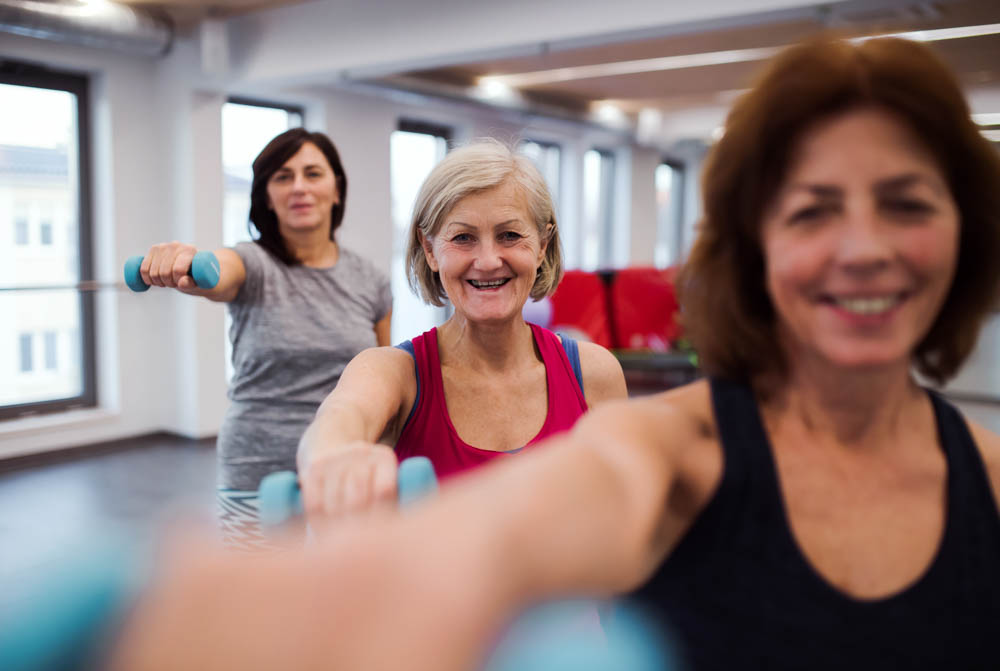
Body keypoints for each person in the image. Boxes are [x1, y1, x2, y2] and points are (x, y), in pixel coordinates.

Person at [103, 36, 1000, 671]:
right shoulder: (686, 443)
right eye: (812, 211)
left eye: (908, 203)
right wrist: (343, 514)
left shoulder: (985, 474)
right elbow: (517, 506)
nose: (862, 247)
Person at [296, 139, 627, 518]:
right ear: (431, 249)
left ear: (541, 245)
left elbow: (623, 515)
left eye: (510, 235)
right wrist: (332, 454)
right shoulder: (394, 373)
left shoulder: (594, 374)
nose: (487, 261)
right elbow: (343, 415)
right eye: (463, 238)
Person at [138, 128, 392, 546]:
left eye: (313, 173)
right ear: (266, 197)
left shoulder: (371, 281)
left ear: (337, 190)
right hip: (256, 469)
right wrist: (189, 262)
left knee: (334, 601)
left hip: (338, 472)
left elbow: (383, 378)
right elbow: (219, 271)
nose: (299, 187)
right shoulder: (252, 263)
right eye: (282, 177)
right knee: (256, 603)